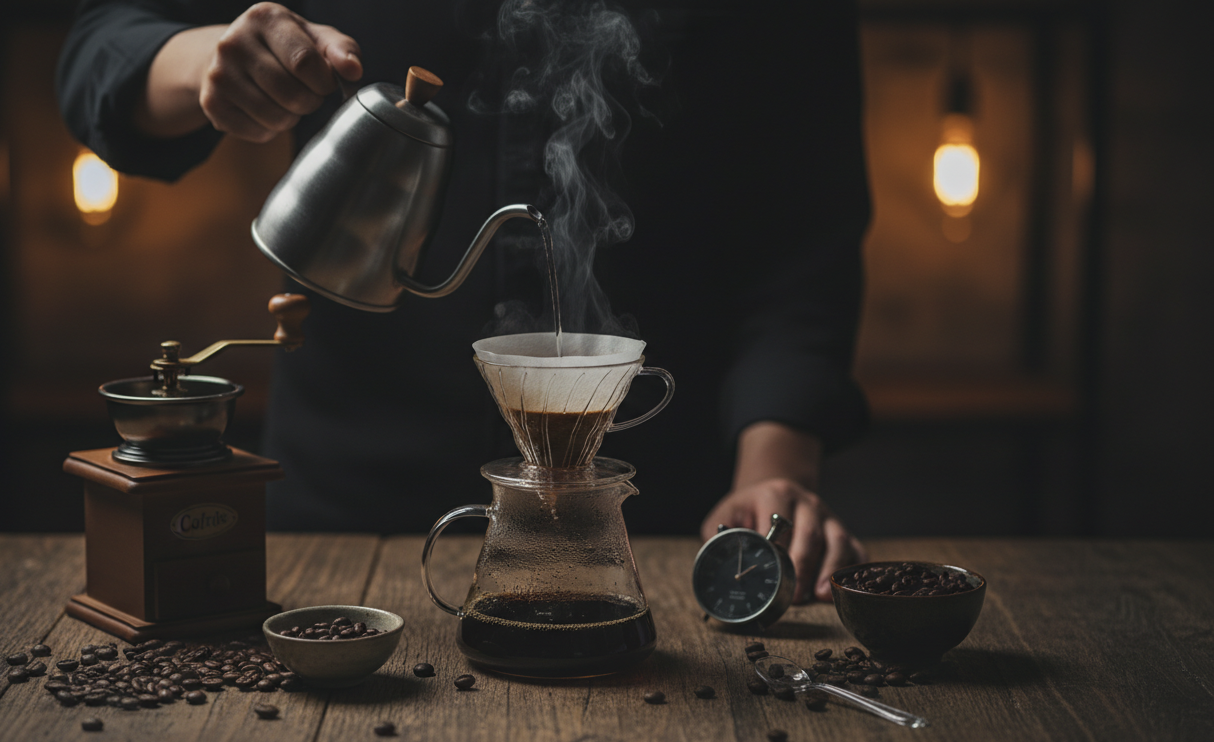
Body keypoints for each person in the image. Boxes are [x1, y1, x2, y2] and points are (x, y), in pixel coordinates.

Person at [57, 0, 872, 602]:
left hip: (657, 535)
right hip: (344, 525)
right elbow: (99, 51)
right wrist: (207, 61)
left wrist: (773, 469)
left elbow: (808, 231)